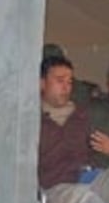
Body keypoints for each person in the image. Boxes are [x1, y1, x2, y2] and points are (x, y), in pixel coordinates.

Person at [38, 54, 92, 190]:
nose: (66, 87)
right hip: (56, 189)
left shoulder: (83, 116)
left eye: (69, 82)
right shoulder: (31, 121)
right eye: (60, 81)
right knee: (81, 201)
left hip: (90, 180)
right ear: (42, 83)